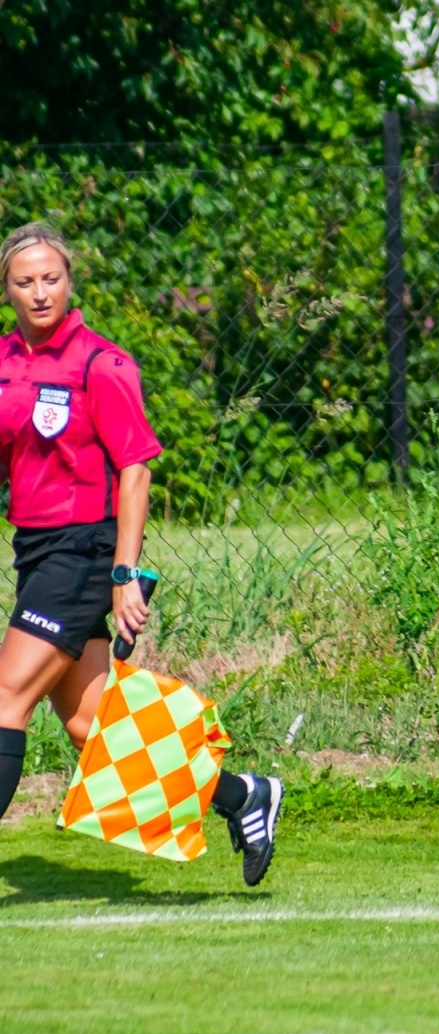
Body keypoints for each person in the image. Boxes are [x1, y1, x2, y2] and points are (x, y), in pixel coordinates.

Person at [0, 222, 282, 886]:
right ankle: (245, 797)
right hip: (37, 551)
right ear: (7, 290)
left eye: (51, 278)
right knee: (90, 722)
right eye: (24, 281)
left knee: (5, 698)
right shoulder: (6, 364)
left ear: (69, 282)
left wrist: (124, 574)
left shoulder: (103, 363)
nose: (39, 292)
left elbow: (136, 471)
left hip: (86, 550)